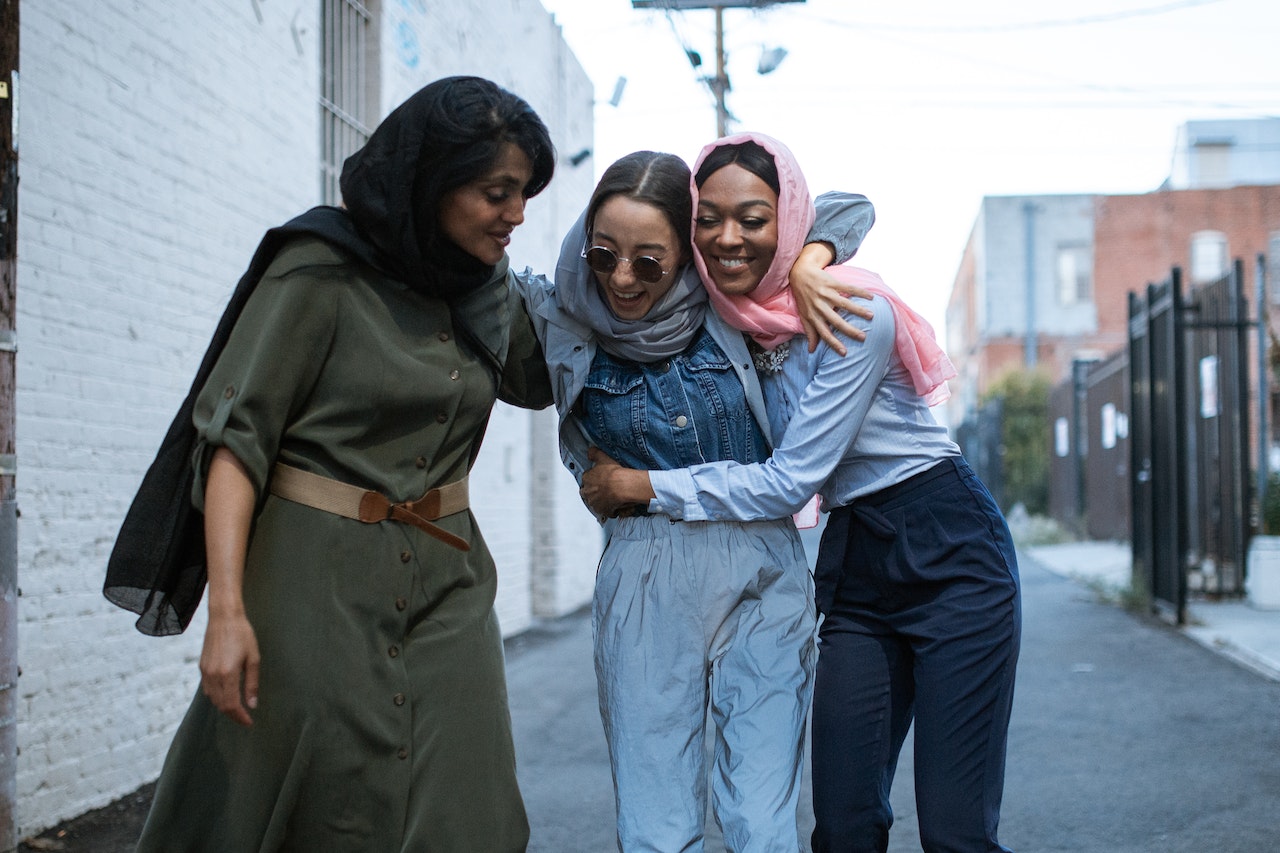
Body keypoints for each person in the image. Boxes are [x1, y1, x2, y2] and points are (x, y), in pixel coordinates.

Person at [122, 76, 556, 852]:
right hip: (310, 581)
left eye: (524, 193)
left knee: (471, 807)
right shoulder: (319, 270)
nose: (516, 213)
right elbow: (235, 443)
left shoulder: (490, 289)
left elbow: (557, 373)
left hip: (451, 580)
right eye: (498, 193)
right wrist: (227, 613)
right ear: (434, 183)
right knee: (309, 805)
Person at [580, 133, 1022, 853]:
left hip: (947, 545)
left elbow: (791, 480)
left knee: (955, 829)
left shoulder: (853, 309)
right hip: (857, 556)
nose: (728, 238)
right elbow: (837, 211)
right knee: (844, 825)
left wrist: (643, 485)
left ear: (785, 222)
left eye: (753, 220)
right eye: (708, 220)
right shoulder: (732, 315)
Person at [516, 149, 873, 852]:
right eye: (603, 255)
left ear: (686, 253)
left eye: (649, 262)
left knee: (760, 818)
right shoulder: (562, 313)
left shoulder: (730, 304)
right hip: (645, 569)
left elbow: (849, 208)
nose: (622, 278)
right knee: (657, 822)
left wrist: (811, 258)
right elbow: (471, 268)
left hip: (760, 567)